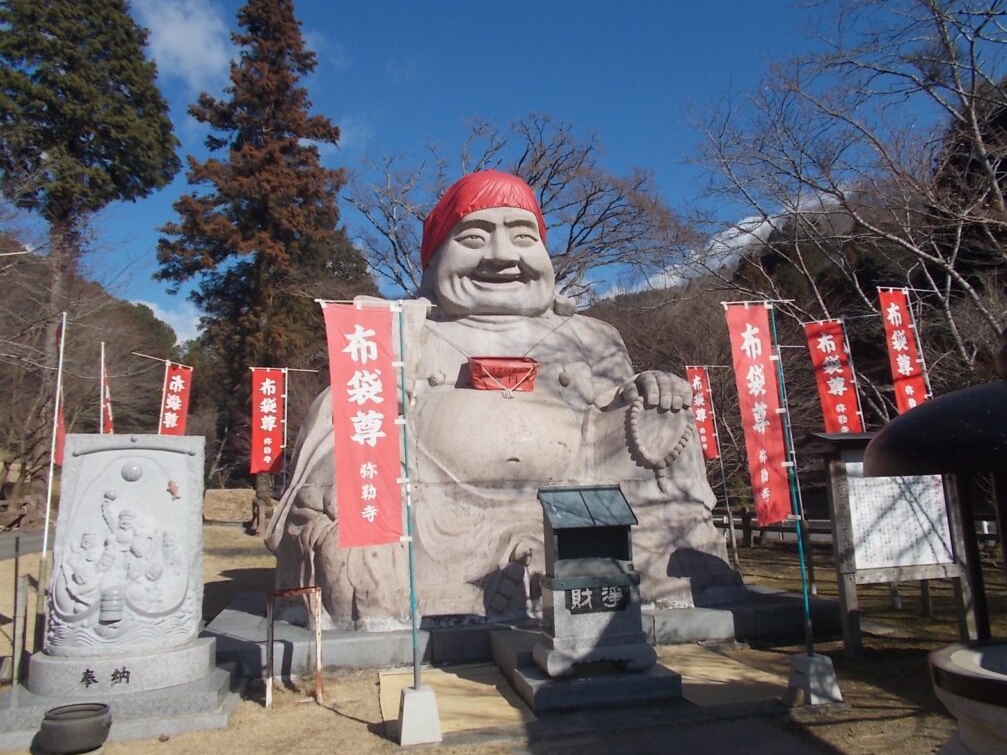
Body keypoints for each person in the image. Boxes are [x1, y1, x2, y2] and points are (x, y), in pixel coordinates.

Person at [267, 171, 740, 629]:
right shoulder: (404, 333)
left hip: (577, 508)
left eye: (522, 236)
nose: (501, 255)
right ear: (433, 261)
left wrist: (651, 398)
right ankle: (467, 584)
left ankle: (578, 571)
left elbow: (621, 433)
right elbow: (347, 420)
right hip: (438, 520)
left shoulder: (592, 338)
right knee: (358, 553)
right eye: (473, 238)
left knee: (667, 495)